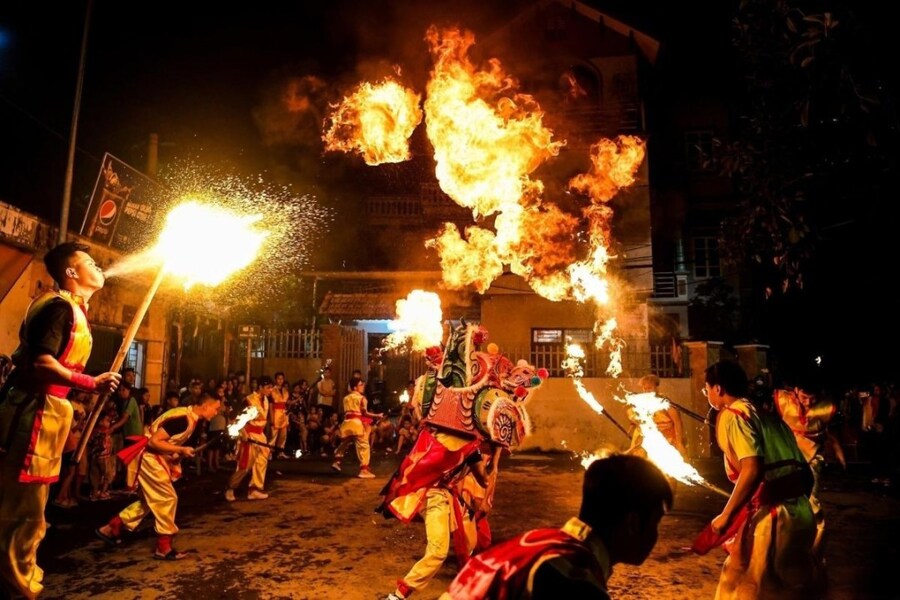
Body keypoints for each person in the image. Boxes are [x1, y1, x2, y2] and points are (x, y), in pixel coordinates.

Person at [0, 242, 121, 599]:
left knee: (33, 504)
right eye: (90, 262)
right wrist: (90, 382)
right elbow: (40, 363)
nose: (99, 267)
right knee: (22, 507)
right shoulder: (58, 307)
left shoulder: (73, 309)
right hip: (32, 410)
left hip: (49, 410)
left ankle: (21, 577)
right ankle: (15, 587)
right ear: (71, 273)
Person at [440, 454, 672, 599]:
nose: (656, 535)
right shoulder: (573, 578)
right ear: (631, 523)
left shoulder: (540, 540)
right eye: (655, 522)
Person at [693, 360, 820, 599]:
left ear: (718, 389)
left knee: (756, 587)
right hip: (799, 513)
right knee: (739, 574)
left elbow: (751, 469)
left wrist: (726, 515)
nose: (707, 393)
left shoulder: (734, 415)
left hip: (773, 517)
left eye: (706, 389)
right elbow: (804, 473)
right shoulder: (768, 417)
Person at [95, 393, 221, 559]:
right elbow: (154, 441)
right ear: (205, 405)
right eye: (216, 408)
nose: (217, 412)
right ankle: (163, 546)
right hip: (149, 458)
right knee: (167, 498)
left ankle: (112, 527)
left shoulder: (190, 418)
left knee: (150, 501)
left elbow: (167, 444)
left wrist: (175, 455)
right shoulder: (183, 418)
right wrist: (180, 450)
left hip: (154, 457)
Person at [774, 368, 845, 557]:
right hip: (785, 455)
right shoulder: (781, 400)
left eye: (812, 398)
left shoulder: (826, 406)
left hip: (813, 457)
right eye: (804, 397)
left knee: (811, 502)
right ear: (795, 390)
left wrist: (838, 451)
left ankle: (815, 546)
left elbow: (832, 432)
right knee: (783, 502)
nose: (808, 402)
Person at [225, 376, 273, 501]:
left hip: (260, 435)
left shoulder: (266, 400)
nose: (270, 390)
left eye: (271, 388)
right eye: (268, 388)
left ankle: (254, 489)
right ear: (261, 387)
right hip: (249, 434)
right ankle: (230, 487)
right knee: (245, 464)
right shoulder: (249, 400)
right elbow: (236, 417)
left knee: (261, 462)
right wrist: (242, 432)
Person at [331, 377, 383, 478]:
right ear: (355, 387)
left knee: (343, 444)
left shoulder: (346, 398)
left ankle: (337, 462)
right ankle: (364, 470)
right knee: (364, 446)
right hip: (356, 424)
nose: (363, 387)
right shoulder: (361, 398)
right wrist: (377, 416)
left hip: (346, 424)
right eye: (360, 385)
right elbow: (364, 413)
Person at [269, 372, 290, 459]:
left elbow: (286, 403)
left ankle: (280, 452)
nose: (280, 380)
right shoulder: (272, 390)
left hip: (284, 414)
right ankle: (270, 452)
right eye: (278, 378)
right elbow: (270, 405)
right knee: (273, 435)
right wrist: (271, 418)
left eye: (282, 379)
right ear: (276, 379)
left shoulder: (285, 391)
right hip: (276, 413)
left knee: (283, 435)